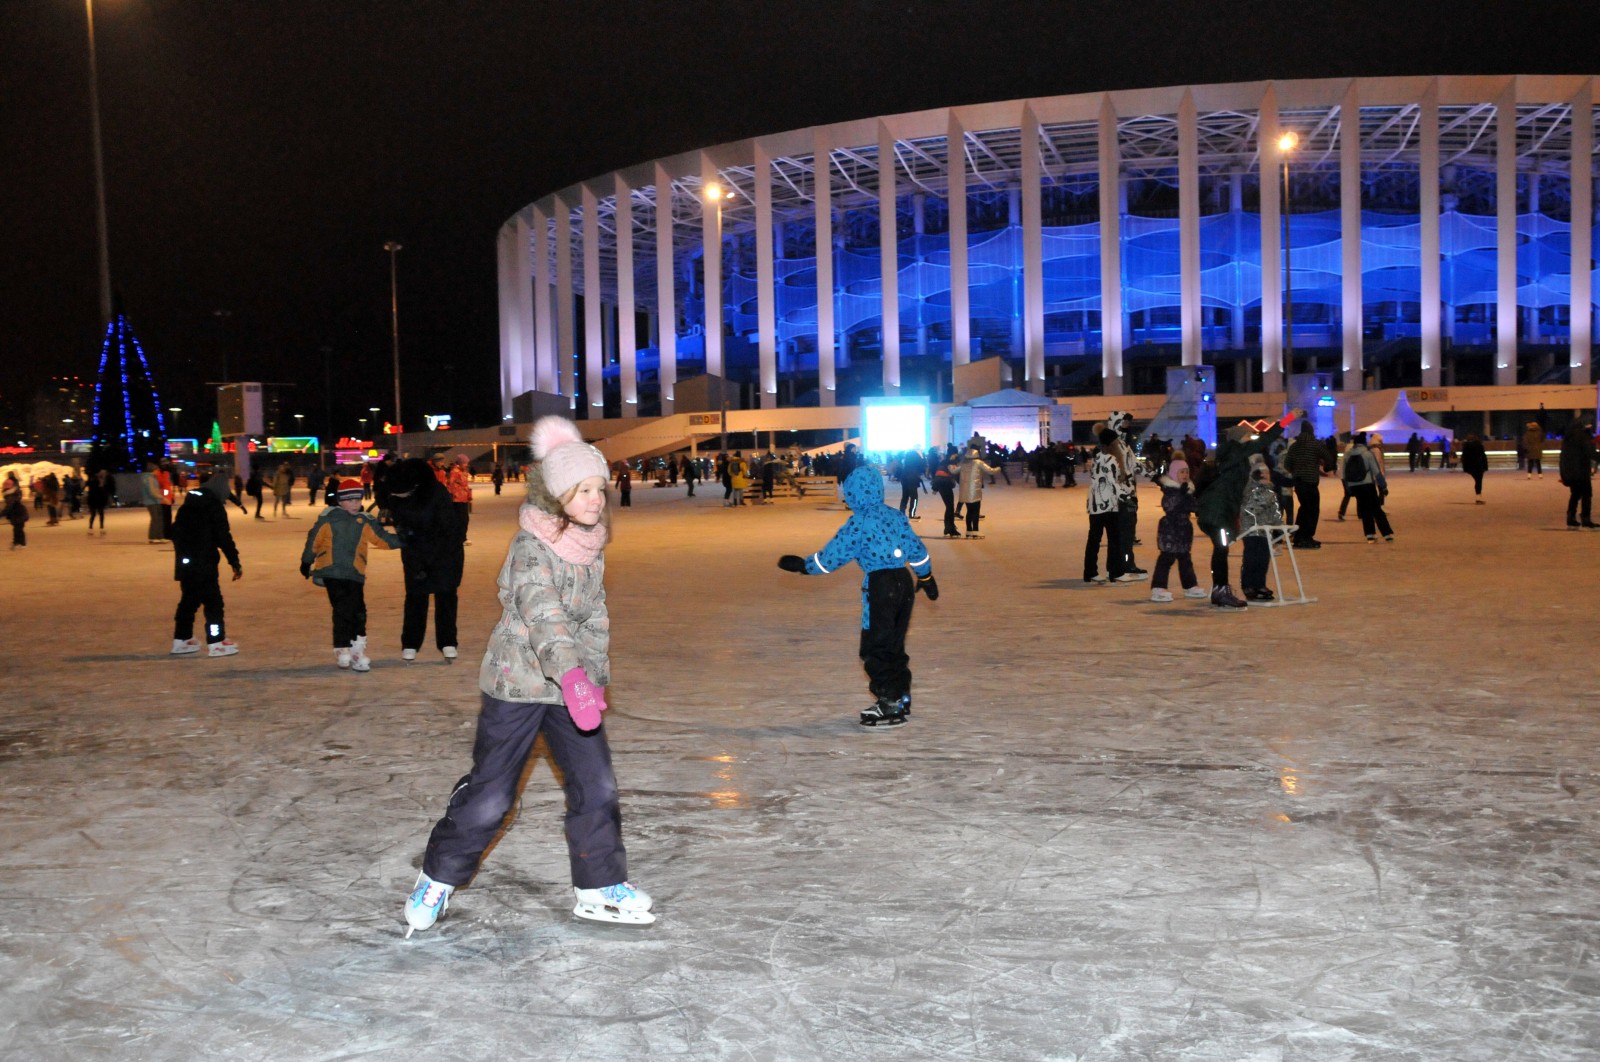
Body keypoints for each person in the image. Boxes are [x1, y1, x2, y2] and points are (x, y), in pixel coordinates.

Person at [403, 415, 653, 936]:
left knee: (597, 784)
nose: (595, 500)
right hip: (518, 683)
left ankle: (598, 885)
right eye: (583, 490)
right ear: (556, 494)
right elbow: (546, 618)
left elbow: (595, 614)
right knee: (492, 796)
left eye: (598, 489)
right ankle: (437, 877)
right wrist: (573, 677)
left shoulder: (588, 546)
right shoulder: (530, 548)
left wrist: (593, 677)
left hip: (571, 688)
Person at [776, 465, 936, 728]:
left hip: (881, 585)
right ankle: (899, 693)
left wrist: (804, 566)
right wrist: (926, 576)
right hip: (903, 581)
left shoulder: (858, 522)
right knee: (894, 644)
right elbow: (916, 548)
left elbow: (831, 557)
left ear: (852, 494)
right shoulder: (895, 516)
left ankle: (890, 702)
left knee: (876, 646)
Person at [1196, 413, 1299, 609]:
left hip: (1215, 509)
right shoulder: (1237, 451)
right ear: (1239, 438)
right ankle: (1221, 592)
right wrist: (1288, 418)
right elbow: (1265, 439)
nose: (1250, 439)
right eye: (1247, 436)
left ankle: (1220, 591)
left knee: (1221, 549)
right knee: (1221, 549)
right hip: (1219, 510)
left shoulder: (1230, 456)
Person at [300, 478, 401, 671]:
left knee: (359, 611)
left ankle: (357, 650)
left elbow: (382, 539)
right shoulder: (329, 518)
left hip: (354, 573)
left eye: (358, 499)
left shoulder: (365, 521)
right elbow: (314, 539)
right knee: (342, 609)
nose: (355, 503)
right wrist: (306, 560)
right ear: (340, 501)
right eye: (350, 500)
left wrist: (405, 539)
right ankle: (341, 647)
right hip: (332, 571)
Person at [384, 457, 465, 663]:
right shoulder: (397, 498)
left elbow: (450, 529)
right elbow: (403, 531)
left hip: (444, 552)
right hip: (415, 552)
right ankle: (410, 643)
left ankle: (447, 642)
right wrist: (415, 559)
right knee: (415, 597)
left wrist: (442, 557)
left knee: (445, 595)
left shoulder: (436, 493)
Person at [169, 474, 242, 657]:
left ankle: (182, 639)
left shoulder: (187, 505)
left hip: (186, 563)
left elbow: (174, 532)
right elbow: (223, 537)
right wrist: (234, 561)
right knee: (213, 603)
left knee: (189, 600)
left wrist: (185, 556)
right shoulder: (213, 507)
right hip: (205, 563)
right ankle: (216, 641)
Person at [1149, 458, 1206, 602]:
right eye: (1182, 472)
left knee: (1185, 559)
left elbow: (1194, 507)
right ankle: (1158, 586)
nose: (1185, 475)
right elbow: (1169, 506)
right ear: (1174, 474)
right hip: (1170, 529)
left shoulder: (1187, 490)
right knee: (1166, 558)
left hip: (1184, 529)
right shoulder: (1170, 490)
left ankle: (1190, 585)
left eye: (1187, 472)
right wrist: (1181, 494)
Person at [1084, 429, 1131, 583]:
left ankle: (1090, 572)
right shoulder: (1111, 459)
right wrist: (1125, 495)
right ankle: (1115, 571)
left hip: (1095, 504)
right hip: (1108, 504)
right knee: (1114, 539)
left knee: (1094, 539)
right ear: (1112, 443)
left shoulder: (1097, 457)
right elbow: (1112, 482)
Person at [1239, 454, 1284, 602]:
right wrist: (1263, 490)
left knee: (1264, 558)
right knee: (1252, 558)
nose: (1265, 476)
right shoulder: (1251, 491)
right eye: (1261, 473)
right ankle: (1248, 585)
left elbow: (1275, 511)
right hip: (1251, 530)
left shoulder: (1271, 493)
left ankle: (1260, 584)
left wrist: (1280, 527)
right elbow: (1251, 508)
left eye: (1267, 473)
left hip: (1265, 531)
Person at [1342, 433, 1394, 543]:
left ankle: (1370, 535)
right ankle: (1386, 534)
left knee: (1365, 510)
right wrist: (1383, 486)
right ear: (1364, 443)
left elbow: (1343, 474)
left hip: (1355, 486)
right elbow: (1376, 472)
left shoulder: (1347, 455)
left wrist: (1347, 488)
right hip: (1367, 485)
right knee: (1376, 509)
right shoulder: (1368, 454)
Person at [1282, 421, 1326, 548]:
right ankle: (1306, 537)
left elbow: (1287, 464)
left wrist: (1296, 472)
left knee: (1304, 508)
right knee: (1312, 510)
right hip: (1311, 482)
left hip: (1299, 483)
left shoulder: (1294, 446)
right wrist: (1327, 466)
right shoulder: (1316, 444)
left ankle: (1299, 536)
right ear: (1311, 431)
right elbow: (1327, 456)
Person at [1559, 420, 1598, 529]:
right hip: (1581, 471)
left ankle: (1571, 518)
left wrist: (1564, 472)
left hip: (1571, 471)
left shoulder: (1568, 438)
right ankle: (1585, 519)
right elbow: (1590, 452)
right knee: (1587, 494)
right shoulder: (1583, 437)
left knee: (1575, 494)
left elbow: (1563, 456)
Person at [957, 445, 1000, 538]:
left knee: (969, 511)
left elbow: (954, 470)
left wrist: (948, 465)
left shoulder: (963, 463)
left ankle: (969, 530)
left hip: (965, 491)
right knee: (976, 511)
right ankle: (975, 531)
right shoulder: (978, 462)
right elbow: (990, 471)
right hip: (975, 491)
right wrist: (998, 468)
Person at [447, 454, 474, 544]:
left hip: (463, 499)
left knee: (464, 519)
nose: (467, 465)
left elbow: (465, 485)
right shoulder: (455, 472)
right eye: (465, 463)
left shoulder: (463, 472)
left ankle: (461, 537)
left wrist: (468, 494)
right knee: (461, 519)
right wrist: (454, 495)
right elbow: (451, 485)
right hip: (457, 499)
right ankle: (460, 538)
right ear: (461, 463)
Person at [931, 454, 959, 538]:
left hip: (941, 484)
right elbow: (954, 473)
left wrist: (935, 488)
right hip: (945, 484)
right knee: (950, 506)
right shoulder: (951, 463)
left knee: (949, 506)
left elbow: (937, 475)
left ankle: (950, 527)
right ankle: (949, 528)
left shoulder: (944, 462)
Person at [139, 461, 165, 542]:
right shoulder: (148, 478)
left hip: (156, 501)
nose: (158, 472)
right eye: (157, 470)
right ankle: (152, 537)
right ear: (153, 470)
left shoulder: (153, 478)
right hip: (151, 501)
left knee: (159, 519)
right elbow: (152, 491)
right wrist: (162, 497)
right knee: (155, 519)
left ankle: (160, 537)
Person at [1459, 433, 1488, 503]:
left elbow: (1463, 457)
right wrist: (1485, 466)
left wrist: (1465, 467)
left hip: (1470, 466)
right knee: (1479, 481)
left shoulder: (1465, 446)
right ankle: (1478, 497)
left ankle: (1478, 497)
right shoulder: (1479, 445)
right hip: (1478, 466)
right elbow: (1483, 456)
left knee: (1477, 481)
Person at [4, 473, 28, 549]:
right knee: (16, 529)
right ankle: (16, 542)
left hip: (19, 514)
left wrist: (2, 514)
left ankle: (22, 543)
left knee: (18, 529)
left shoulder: (10, 496)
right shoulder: (13, 494)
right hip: (17, 514)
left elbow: (9, 507)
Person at [85, 468, 110, 534]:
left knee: (93, 514)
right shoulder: (98, 481)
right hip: (98, 499)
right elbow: (102, 490)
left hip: (92, 499)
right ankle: (101, 527)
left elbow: (84, 488)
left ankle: (90, 527)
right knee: (101, 514)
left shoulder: (89, 481)